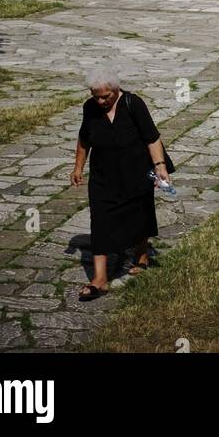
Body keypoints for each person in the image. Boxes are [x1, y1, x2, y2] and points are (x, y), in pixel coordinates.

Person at [71, 68, 168, 301]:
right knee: (101, 221)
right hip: (103, 176)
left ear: (116, 89)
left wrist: (160, 165)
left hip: (136, 170)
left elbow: (152, 137)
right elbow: (84, 139)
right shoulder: (90, 108)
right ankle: (100, 280)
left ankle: (142, 254)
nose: (101, 101)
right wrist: (77, 167)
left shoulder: (133, 103)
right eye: (96, 96)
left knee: (139, 213)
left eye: (106, 96)